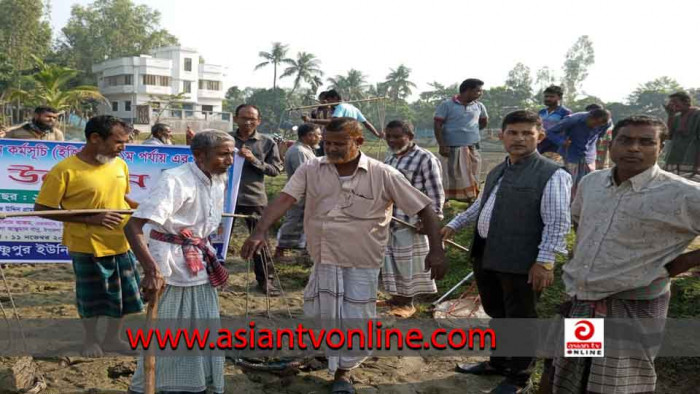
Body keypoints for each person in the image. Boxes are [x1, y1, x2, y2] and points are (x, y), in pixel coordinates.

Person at [241, 118, 446, 394]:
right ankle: (328, 354)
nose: (331, 148)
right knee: (318, 311)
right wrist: (260, 231)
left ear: (358, 142)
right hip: (323, 257)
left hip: (362, 261)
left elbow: (425, 210)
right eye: (327, 142)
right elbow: (284, 199)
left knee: (354, 318)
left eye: (339, 143)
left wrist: (437, 251)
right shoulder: (312, 167)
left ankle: (344, 372)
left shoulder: (383, 173)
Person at [551, 115, 700, 393]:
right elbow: (581, 225)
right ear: (611, 144)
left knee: (620, 383)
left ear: (661, 148)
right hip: (584, 299)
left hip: (633, 304)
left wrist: (681, 263)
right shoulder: (591, 183)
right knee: (575, 376)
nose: (634, 148)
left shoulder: (683, 194)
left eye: (646, 142)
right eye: (626, 140)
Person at [441, 110, 571, 394]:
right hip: (487, 252)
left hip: (521, 258)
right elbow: (481, 204)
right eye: (513, 132)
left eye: (527, 133)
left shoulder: (552, 174)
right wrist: (454, 223)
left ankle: (518, 376)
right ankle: (499, 363)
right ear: (501, 136)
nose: (519, 138)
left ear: (541, 136)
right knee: (497, 312)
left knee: (521, 317)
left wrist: (545, 261)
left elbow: (558, 221)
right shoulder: (500, 169)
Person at [125, 130, 234, 394]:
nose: (229, 160)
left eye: (231, 153)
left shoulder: (218, 179)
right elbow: (133, 226)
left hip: (199, 263)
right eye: (223, 154)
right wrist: (152, 270)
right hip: (171, 268)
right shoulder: (175, 180)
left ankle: (193, 385)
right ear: (199, 155)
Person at [33, 115, 142, 357]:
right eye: (118, 142)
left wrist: (146, 210)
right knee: (90, 298)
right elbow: (42, 210)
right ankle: (91, 340)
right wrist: (91, 219)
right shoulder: (65, 170)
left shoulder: (119, 165)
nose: (123, 148)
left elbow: (124, 197)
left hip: (121, 242)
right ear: (95, 138)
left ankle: (113, 338)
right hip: (86, 246)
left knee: (123, 295)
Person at [380, 120, 444, 318]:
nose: (392, 140)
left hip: (412, 221)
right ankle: (396, 299)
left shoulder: (425, 158)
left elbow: (435, 191)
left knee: (408, 264)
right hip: (392, 219)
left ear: (410, 137)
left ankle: (408, 304)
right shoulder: (389, 159)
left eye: (397, 136)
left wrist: (432, 218)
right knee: (392, 262)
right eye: (389, 136)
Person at [230, 104, 283, 295]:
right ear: (235, 119)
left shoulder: (267, 142)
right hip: (225, 198)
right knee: (217, 240)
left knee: (260, 241)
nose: (248, 122)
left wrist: (253, 160)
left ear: (258, 121)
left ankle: (265, 281)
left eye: (252, 118)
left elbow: (275, 170)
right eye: (244, 118)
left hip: (254, 198)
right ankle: (213, 279)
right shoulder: (225, 139)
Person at [434, 78, 489, 202]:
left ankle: (471, 198)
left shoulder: (479, 106)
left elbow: (484, 121)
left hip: (471, 146)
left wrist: (470, 132)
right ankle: (445, 199)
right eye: (478, 91)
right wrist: (442, 144)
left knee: (472, 172)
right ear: (467, 90)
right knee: (449, 174)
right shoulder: (447, 105)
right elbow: (437, 125)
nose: (480, 94)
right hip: (451, 147)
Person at [274, 123, 322, 257]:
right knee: (293, 221)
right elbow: (303, 175)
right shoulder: (299, 151)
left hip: (307, 194)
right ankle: (280, 250)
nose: (320, 137)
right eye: (318, 134)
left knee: (305, 222)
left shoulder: (305, 150)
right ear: (309, 136)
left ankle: (305, 251)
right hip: (299, 194)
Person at [545, 108, 611, 196]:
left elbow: (599, 136)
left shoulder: (606, 123)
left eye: (599, 125)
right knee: (568, 184)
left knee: (588, 184)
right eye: (595, 123)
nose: (596, 126)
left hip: (589, 158)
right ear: (590, 117)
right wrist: (561, 141)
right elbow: (550, 132)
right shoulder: (573, 120)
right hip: (570, 155)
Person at [302, 89, 384, 139]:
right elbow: (366, 124)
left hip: (342, 137)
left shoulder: (340, 107)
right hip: (353, 136)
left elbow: (332, 121)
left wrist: (311, 120)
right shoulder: (353, 108)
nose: (328, 103)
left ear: (335, 98)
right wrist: (377, 134)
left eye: (329, 100)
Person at [664, 91, 700, 176]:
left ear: (686, 102)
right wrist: (670, 115)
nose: (672, 104)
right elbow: (668, 136)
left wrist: (697, 166)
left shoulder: (698, 115)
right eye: (671, 102)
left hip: (691, 162)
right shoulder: (676, 118)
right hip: (674, 161)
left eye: (675, 102)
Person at [537, 85, 572, 157]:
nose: (548, 99)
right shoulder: (541, 112)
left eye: (552, 97)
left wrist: (563, 142)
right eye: (546, 96)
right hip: (540, 145)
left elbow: (568, 130)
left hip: (556, 146)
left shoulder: (565, 112)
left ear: (559, 98)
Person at [585, 103, 615, 169]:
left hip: (604, 139)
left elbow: (601, 135)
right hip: (599, 139)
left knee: (601, 158)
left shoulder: (606, 121)